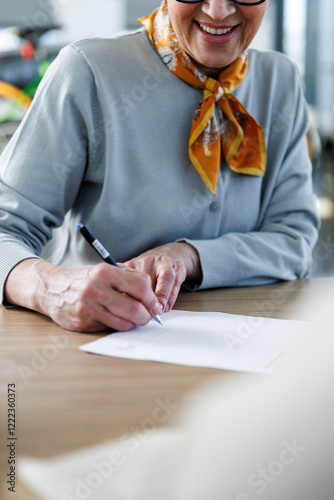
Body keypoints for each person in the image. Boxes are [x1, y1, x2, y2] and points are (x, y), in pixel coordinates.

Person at [0, 0, 319, 332]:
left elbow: (294, 241)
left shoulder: (280, 80)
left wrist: (189, 257)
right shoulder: (88, 71)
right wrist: (52, 288)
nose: (218, 11)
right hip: (98, 349)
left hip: (243, 348)